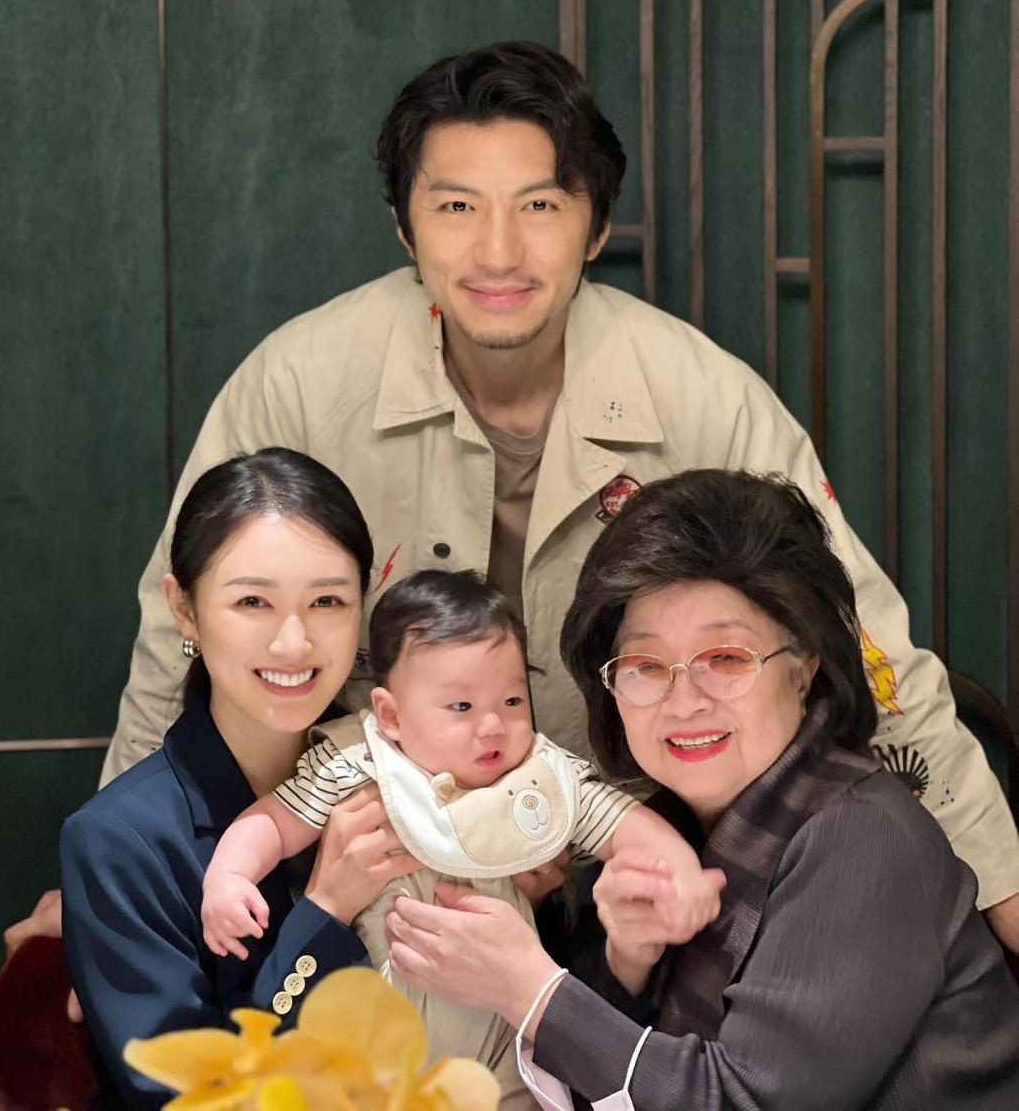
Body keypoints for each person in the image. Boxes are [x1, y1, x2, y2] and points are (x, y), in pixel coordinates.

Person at [22, 39, 1015, 949]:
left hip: (642, 889)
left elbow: (868, 654)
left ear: (595, 226)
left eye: (539, 205)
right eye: (456, 207)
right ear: (404, 225)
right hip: (367, 892)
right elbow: (178, 647)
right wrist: (111, 895)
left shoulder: (703, 397)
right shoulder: (298, 386)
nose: (497, 251)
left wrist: (1004, 893)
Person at [384, 470, 1019, 1110]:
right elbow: (590, 1082)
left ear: (804, 668)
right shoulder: (659, 828)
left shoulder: (864, 837)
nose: (684, 700)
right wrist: (629, 958)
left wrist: (528, 989)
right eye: (645, 666)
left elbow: (748, 1100)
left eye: (726, 659)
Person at [201, 569, 723, 1106]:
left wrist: (679, 873)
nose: (493, 725)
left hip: (503, 1043)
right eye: (462, 707)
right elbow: (274, 822)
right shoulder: (360, 767)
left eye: (512, 701)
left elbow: (627, 826)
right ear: (391, 715)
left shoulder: (539, 780)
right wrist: (230, 876)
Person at [59, 449, 424, 1108]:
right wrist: (325, 910)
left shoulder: (416, 773)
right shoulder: (118, 842)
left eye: (327, 601)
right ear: (184, 608)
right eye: (253, 601)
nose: (294, 643)